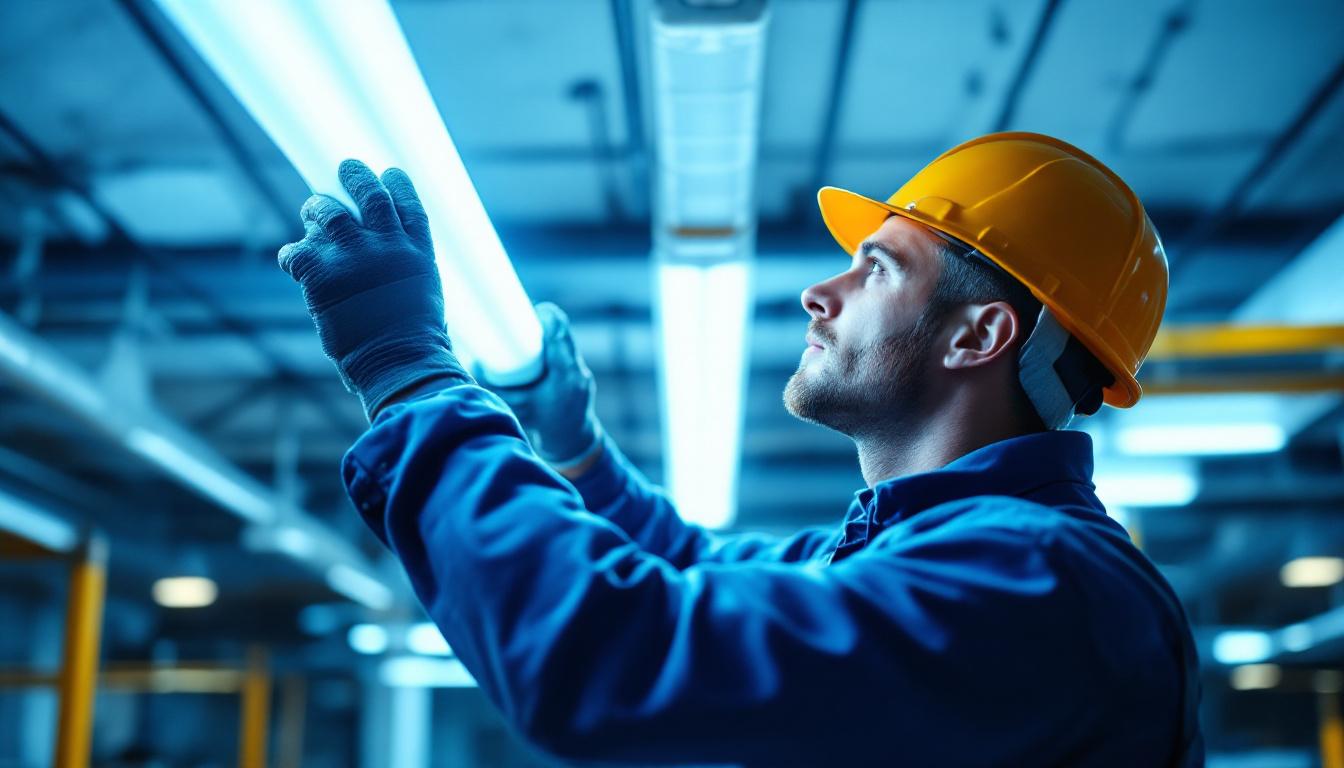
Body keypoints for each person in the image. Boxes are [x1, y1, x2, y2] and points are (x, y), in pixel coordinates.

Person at [278, 132, 1203, 767]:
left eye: (876, 267)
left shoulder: (1028, 583)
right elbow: (692, 568)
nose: (820, 292)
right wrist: (579, 450)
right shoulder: (931, 553)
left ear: (978, 337)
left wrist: (409, 375)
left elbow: (608, 655)